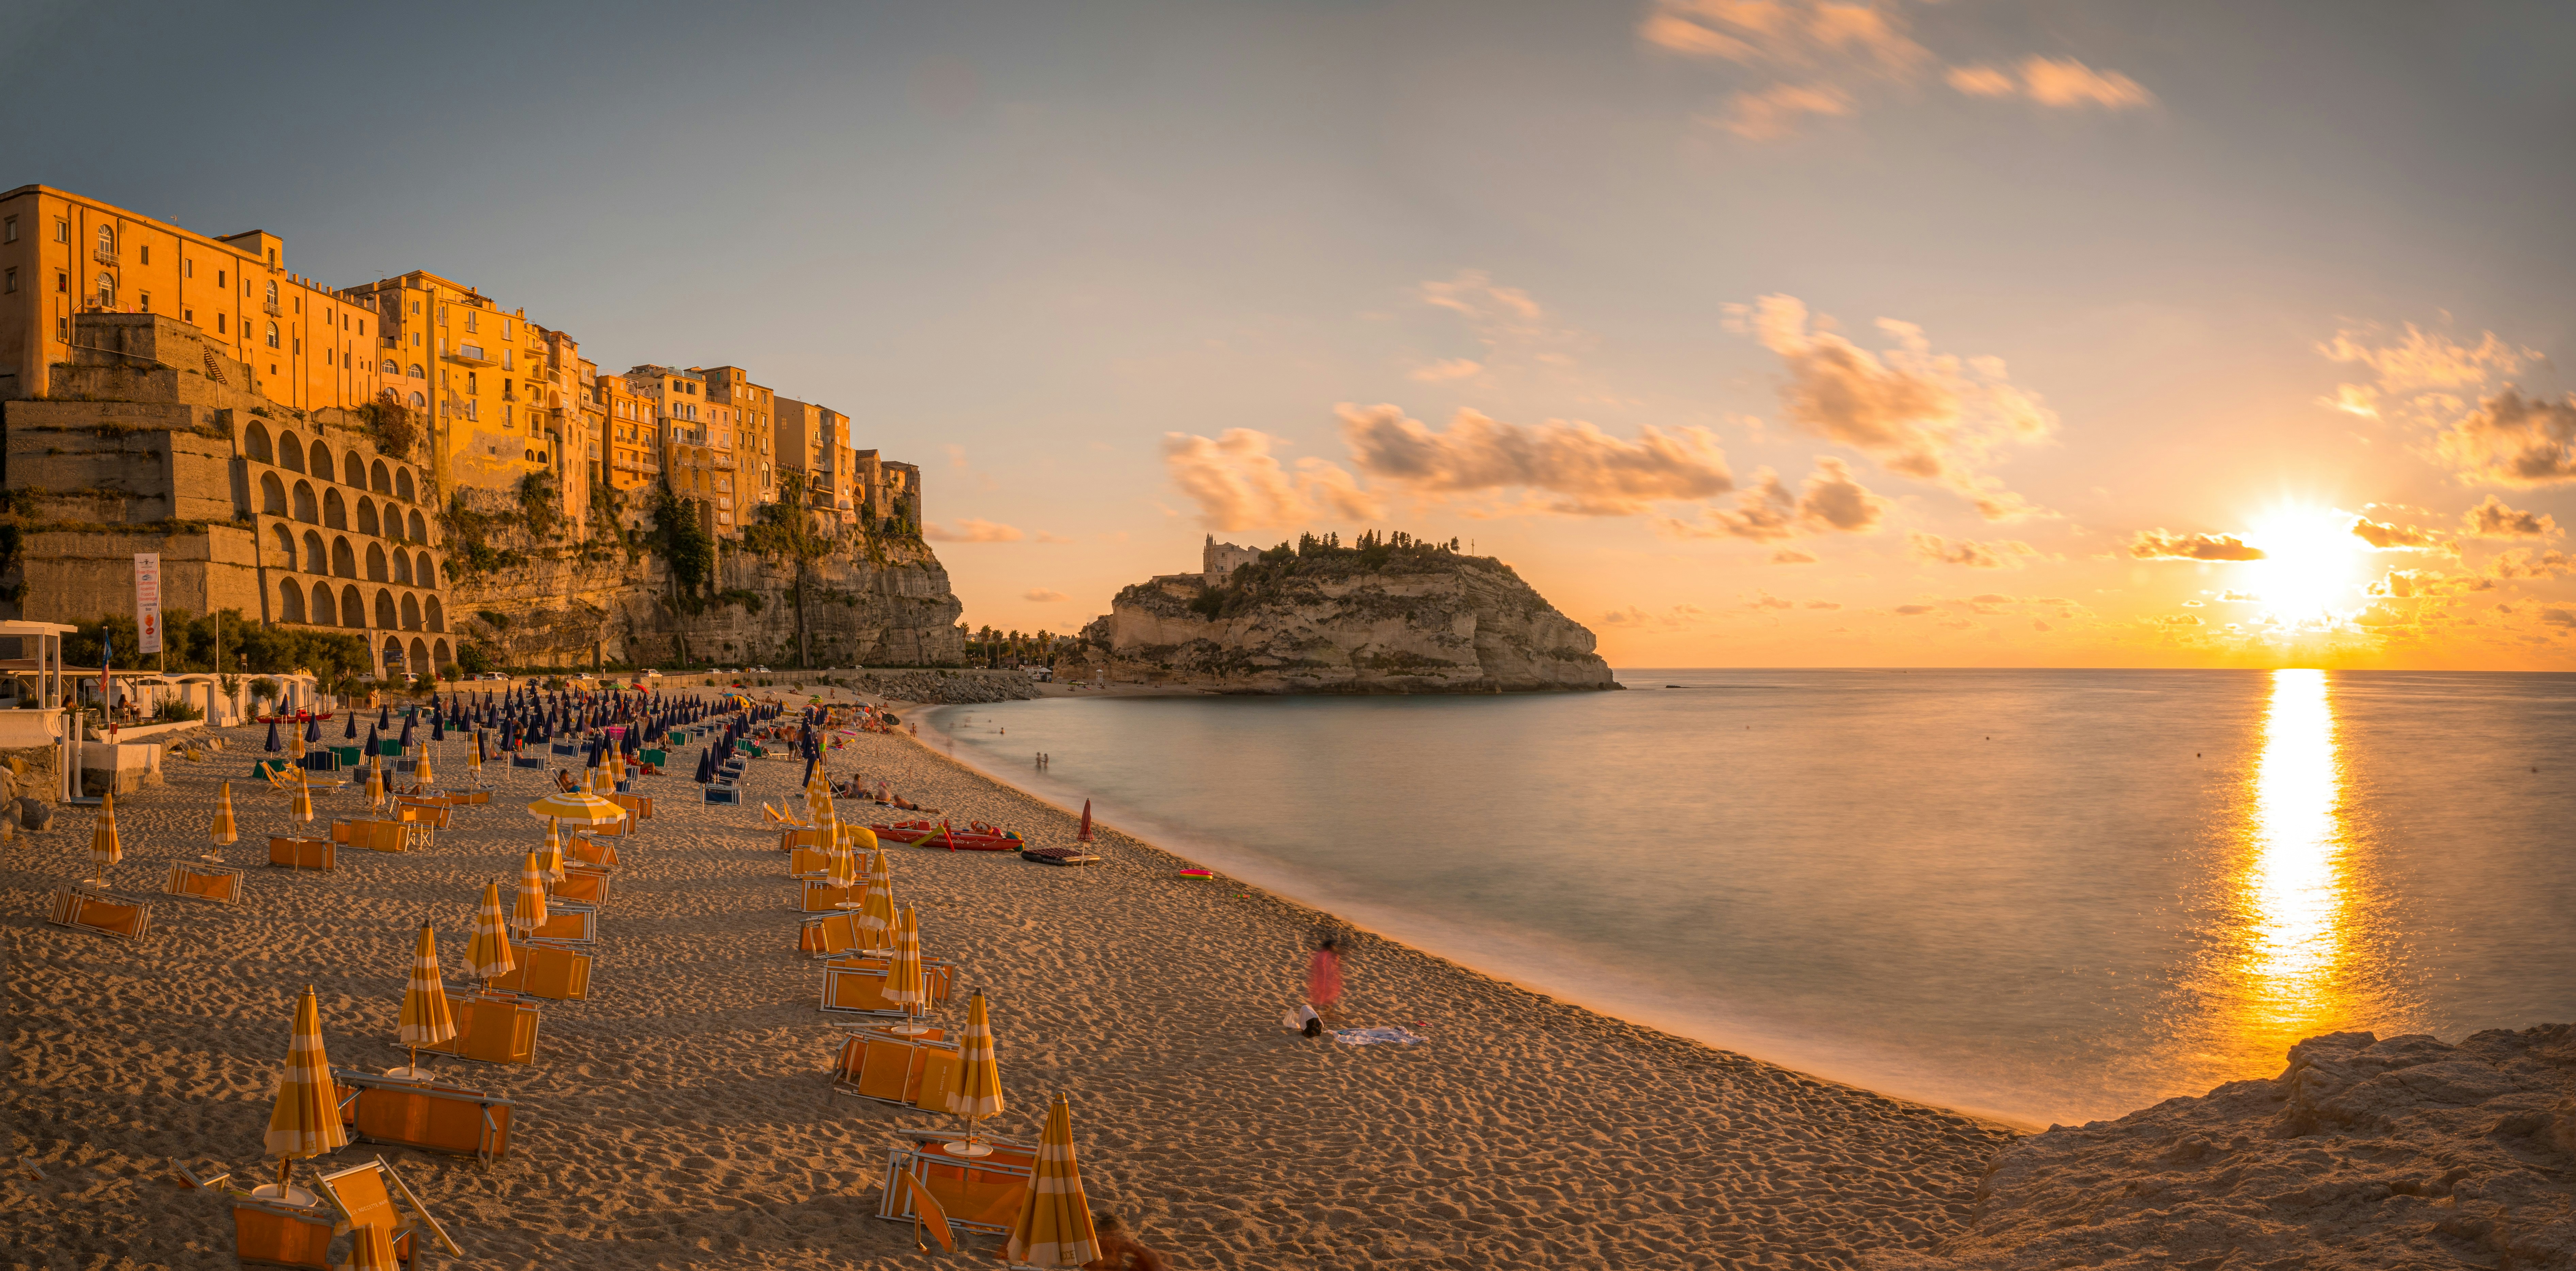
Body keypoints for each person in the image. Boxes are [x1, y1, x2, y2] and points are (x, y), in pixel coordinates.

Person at [1081, 1212, 1168, 1271]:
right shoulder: (1091, 1248)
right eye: (1105, 1235)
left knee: (1145, 1260)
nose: (1108, 1239)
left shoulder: (1120, 1243)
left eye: (1113, 1235)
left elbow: (1151, 1256)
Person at [1307, 936, 1345, 1024]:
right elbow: (1322, 968)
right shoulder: (1324, 955)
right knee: (1323, 998)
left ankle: (1325, 1014)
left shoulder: (1324, 954)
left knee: (1325, 998)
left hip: (1324, 979)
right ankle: (1321, 1015)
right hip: (1323, 980)